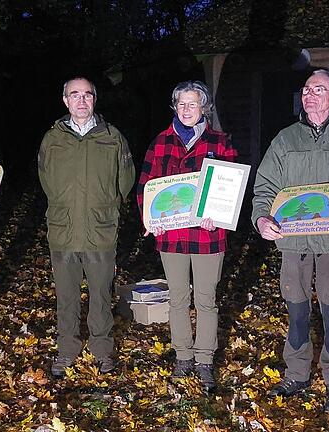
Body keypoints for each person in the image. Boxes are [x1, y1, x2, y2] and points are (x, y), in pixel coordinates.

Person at [251, 70, 329, 412]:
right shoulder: (285, 140)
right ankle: (298, 374)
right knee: (297, 311)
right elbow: (264, 187)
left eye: (319, 89)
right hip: (293, 243)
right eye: (306, 89)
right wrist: (261, 219)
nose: (310, 95)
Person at [137, 80, 237, 392]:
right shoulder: (160, 143)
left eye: (192, 104)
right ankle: (183, 356)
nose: (186, 109)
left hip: (208, 236)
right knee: (178, 299)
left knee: (205, 300)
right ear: (175, 107)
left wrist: (217, 215)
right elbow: (146, 188)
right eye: (181, 104)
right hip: (171, 236)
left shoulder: (220, 142)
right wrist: (152, 218)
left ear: (204, 108)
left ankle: (205, 360)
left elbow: (229, 186)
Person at [38, 77, 135, 377]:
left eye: (87, 95)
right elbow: (46, 179)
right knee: (65, 297)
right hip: (63, 231)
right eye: (74, 95)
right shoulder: (52, 139)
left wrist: (107, 205)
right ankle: (67, 349)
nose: (81, 100)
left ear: (95, 99)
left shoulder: (112, 137)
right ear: (65, 100)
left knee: (101, 295)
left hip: (100, 230)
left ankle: (102, 351)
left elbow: (125, 180)